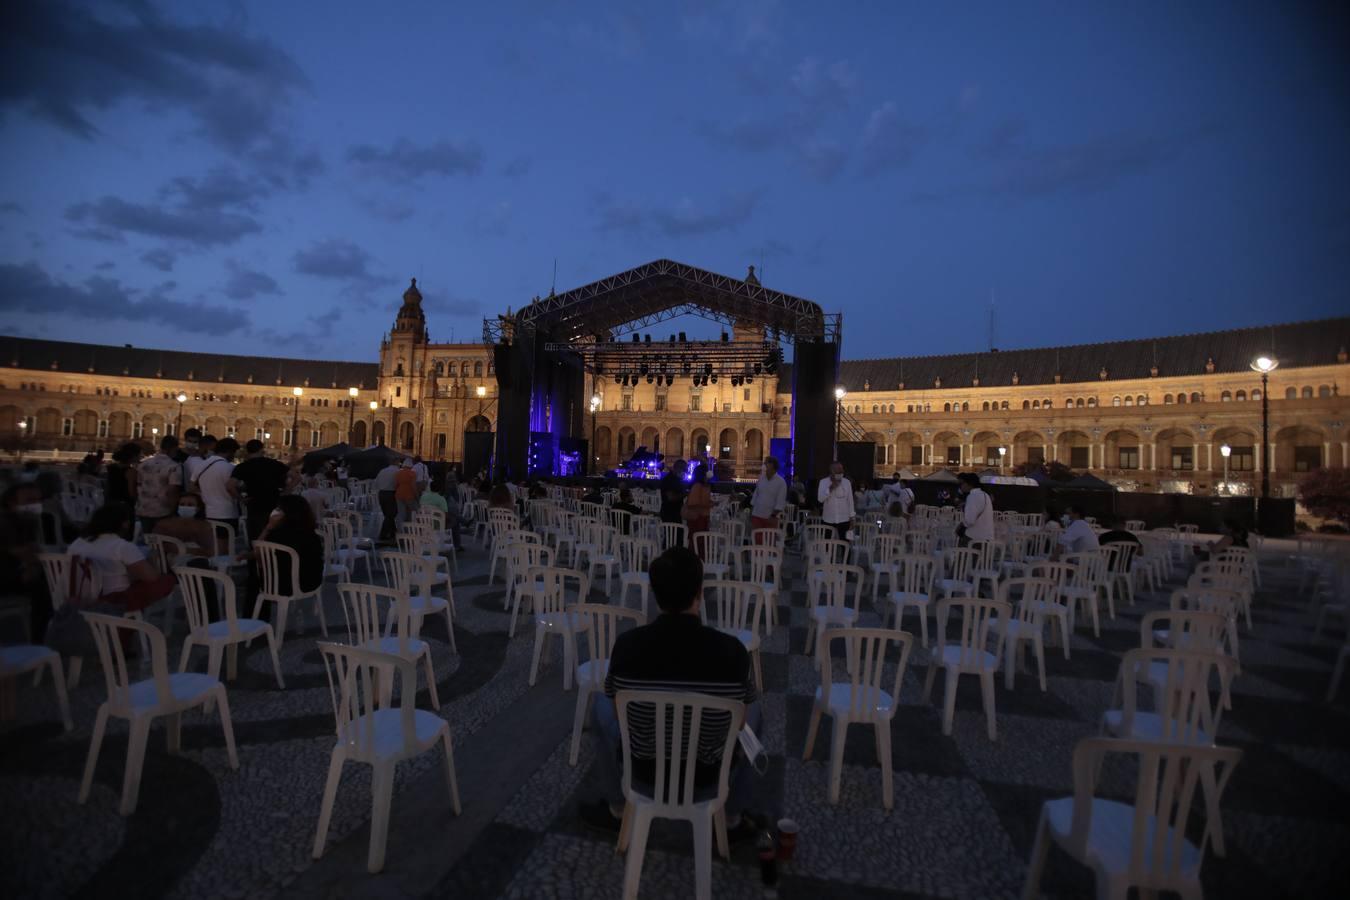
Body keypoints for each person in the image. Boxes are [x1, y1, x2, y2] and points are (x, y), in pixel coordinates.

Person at [579, 545, 759, 840]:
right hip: (708, 777)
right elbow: (739, 724)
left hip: (643, 772)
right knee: (754, 712)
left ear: (655, 593)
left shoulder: (627, 646)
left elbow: (616, 711)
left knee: (600, 702)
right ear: (699, 593)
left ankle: (618, 807)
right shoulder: (733, 652)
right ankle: (731, 816)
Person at [66, 503, 176, 613]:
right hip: (114, 599)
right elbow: (151, 577)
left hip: (78, 594)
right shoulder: (121, 546)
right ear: (124, 524)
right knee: (165, 580)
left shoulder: (77, 543)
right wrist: (153, 559)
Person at [0, 483, 52, 641]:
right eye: (29, 500)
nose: (35, 505)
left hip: (15, 572)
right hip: (6, 577)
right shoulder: (4, 521)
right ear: (11, 502)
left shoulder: (26, 520)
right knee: (47, 588)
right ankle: (37, 641)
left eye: (38, 500)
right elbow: (26, 553)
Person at [252, 495, 324, 594]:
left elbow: (258, 553)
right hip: (308, 583)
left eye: (278, 509)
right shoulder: (311, 534)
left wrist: (268, 527)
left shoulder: (277, 534)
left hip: (277, 585)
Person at [230, 439, 290, 541]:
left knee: (255, 536)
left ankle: (255, 555)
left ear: (247, 451)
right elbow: (296, 477)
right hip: (273, 503)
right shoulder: (274, 464)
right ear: (262, 450)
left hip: (254, 505)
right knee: (273, 536)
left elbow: (229, 486)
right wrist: (285, 492)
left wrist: (241, 499)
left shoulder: (242, 467)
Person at [134, 434, 183, 535]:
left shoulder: (143, 464)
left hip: (143, 508)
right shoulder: (173, 467)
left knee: (148, 539)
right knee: (162, 541)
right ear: (173, 448)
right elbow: (172, 490)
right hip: (163, 510)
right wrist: (174, 510)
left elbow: (138, 485)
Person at [151, 492, 223, 557]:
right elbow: (157, 546)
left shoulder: (204, 526)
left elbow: (211, 550)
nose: (185, 507)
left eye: (190, 505)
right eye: (182, 504)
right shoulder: (163, 525)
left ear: (198, 508)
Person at [195, 437, 240, 529]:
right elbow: (231, 487)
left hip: (208, 512)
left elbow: (192, 486)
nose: (234, 456)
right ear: (229, 451)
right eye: (234, 452)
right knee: (226, 542)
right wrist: (241, 499)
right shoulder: (230, 468)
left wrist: (205, 495)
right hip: (227, 513)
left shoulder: (201, 465)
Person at [750, 455, 787, 540]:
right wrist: (752, 511)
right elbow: (756, 495)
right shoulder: (761, 479)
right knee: (756, 541)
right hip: (757, 515)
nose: (764, 466)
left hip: (770, 517)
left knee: (768, 542)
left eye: (766, 463)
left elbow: (780, 501)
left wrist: (773, 516)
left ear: (772, 465)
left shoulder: (781, 482)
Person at [817, 462, 855, 540]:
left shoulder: (847, 482)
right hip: (828, 519)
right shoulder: (823, 482)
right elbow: (820, 499)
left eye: (842, 469)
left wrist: (852, 518)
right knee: (827, 544)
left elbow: (850, 501)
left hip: (844, 519)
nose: (841, 471)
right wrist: (830, 488)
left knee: (845, 544)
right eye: (838, 470)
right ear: (832, 471)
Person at [957, 473, 995, 546]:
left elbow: (970, 520)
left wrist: (961, 526)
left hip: (975, 539)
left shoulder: (973, 496)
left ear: (969, 484)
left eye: (961, 483)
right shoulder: (984, 494)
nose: (960, 486)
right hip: (987, 538)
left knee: (957, 552)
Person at [682, 464, 712, 552]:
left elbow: (703, 500)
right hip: (697, 518)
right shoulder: (697, 486)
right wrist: (708, 505)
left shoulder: (704, 486)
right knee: (697, 542)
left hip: (702, 517)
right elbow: (692, 504)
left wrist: (711, 503)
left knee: (701, 542)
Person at [104, 441, 141, 507]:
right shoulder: (131, 472)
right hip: (124, 506)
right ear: (133, 456)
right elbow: (131, 493)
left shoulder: (111, 468)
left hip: (110, 502)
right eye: (139, 454)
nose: (140, 456)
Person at [374, 458, 401, 541]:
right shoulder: (398, 471)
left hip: (381, 494)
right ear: (396, 462)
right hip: (391, 494)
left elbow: (376, 483)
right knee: (390, 515)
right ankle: (383, 534)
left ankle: (393, 532)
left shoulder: (382, 471)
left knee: (388, 515)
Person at [659, 457, 686, 524]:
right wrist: (685, 494)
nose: (685, 472)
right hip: (670, 513)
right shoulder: (670, 480)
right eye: (684, 470)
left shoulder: (675, 479)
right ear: (679, 468)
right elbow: (670, 497)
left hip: (674, 512)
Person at [395, 459, 418, 524]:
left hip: (399, 495)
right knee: (415, 510)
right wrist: (417, 497)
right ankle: (411, 526)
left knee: (401, 513)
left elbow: (396, 485)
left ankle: (401, 529)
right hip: (409, 496)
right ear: (411, 466)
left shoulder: (398, 473)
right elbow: (413, 486)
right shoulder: (412, 473)